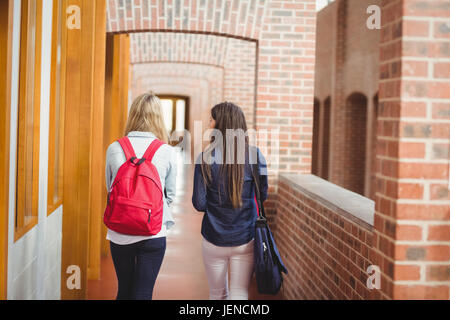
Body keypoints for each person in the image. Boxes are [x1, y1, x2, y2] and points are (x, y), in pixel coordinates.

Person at [192, 102, 268, 300]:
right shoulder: (255, 155)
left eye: (211, 119)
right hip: (245, 237)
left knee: (217, 293)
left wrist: (218, 205)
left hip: (213, 237)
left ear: (221, 125)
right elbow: (263, 195)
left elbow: (199, 203)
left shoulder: (205, 158)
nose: (209, 124)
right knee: (239, 292)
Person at [105, 92, 177, 300]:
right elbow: (169, 196)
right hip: (153, 232)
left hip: (120, 232)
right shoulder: (166, 151)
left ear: (132, 115)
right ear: (158, 118)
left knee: (124, 289)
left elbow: (110, 188)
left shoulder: (114, 147)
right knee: (143, 292)